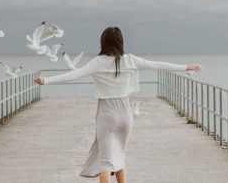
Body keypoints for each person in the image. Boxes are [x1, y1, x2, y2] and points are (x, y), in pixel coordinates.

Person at [34, 26, 202, 183]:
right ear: (121, 42)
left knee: (105, 161)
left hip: (108, 112)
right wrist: (186, 67)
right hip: (126, 113)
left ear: (103, 42)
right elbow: (157, 65)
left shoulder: (98, 62)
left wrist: (46, 80)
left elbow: (74, 75)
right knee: (120, 155)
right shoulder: (130, 60)